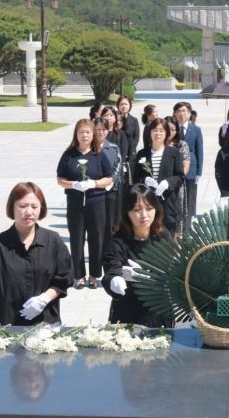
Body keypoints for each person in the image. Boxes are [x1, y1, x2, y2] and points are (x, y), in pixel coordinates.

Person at [0, 182, 73, 325]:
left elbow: (64, 277)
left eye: (34, 206)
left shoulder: (53, 241)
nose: (29, 212)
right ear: (12, 207)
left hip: (45, 325)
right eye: (22, 206)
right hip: (6, 325)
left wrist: (44, 298)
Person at [102, 184, 172, 327]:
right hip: (127, 312)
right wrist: (114, 280)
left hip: (158, 311)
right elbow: (111, 271)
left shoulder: (162, 236)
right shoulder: (117, 242)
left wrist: (146, 277)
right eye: (137, 210)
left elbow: (171, 272)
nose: (144, 215)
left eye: (149, 208)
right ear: (127, 212)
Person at [57, 119, 113, 289]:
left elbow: (109, 178)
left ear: (93, 134)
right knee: (76, 238)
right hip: (75, 203)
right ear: (76, 134)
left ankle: (94, 275)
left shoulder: (98, 154)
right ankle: (79, 275)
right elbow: (60, 179)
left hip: (96, 202)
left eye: (88, 132)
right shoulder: (69, 154)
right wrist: (73, 184)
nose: (84, 135)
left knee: (96, 239)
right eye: (81, 132)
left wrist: (94, 183)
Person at [133, 118, 185, 234]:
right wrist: (145, 180)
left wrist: (168, 183)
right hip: (148, 203)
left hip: (167, 202)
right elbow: (136, 177)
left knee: (167, 236)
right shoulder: (142, 154)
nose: (158, 133)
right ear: (150, 132)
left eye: (161, 130)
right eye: (155, 130)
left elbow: (180, 177)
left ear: (166, 133)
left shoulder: (174, 153)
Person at [93, 117, 122, 248]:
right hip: (94, 192)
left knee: (110, 224)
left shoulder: (113, 148)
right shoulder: (89, 148)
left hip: (110, 192)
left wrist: (111, 181)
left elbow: (118, 166)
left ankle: (109, 251)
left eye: (104, 129)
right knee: (96, 225)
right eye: (98, 129)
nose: (101, 132)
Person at [173, 101, 203, 229]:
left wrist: (199, 172)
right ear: (175, 114)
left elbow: (199, 151)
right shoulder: (172, 129)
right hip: (175, 167)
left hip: (191, 168)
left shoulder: (196, 129)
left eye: (184, 111)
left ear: (190, 113)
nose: (182, 114)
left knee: (190, 198)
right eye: (179, 111)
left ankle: (188, 228)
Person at [165, 115, 190, 237]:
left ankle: (176, 240)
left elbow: (185, 166)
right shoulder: (158, 144)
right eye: (168, 129)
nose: (170, 132)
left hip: (177, 185)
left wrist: (175, 180)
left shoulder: (182, 145)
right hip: (160, 185)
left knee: (176, 213)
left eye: (173, 129)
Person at [117, 95, 140, 162]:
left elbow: (136, 138)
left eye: (126, 104)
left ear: (130, 105)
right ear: (118, 105)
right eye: (121, 104)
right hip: (117, 151)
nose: (124, 106)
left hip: (131, 153)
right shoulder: (114, 119)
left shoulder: (134, 120)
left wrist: (130, 150)